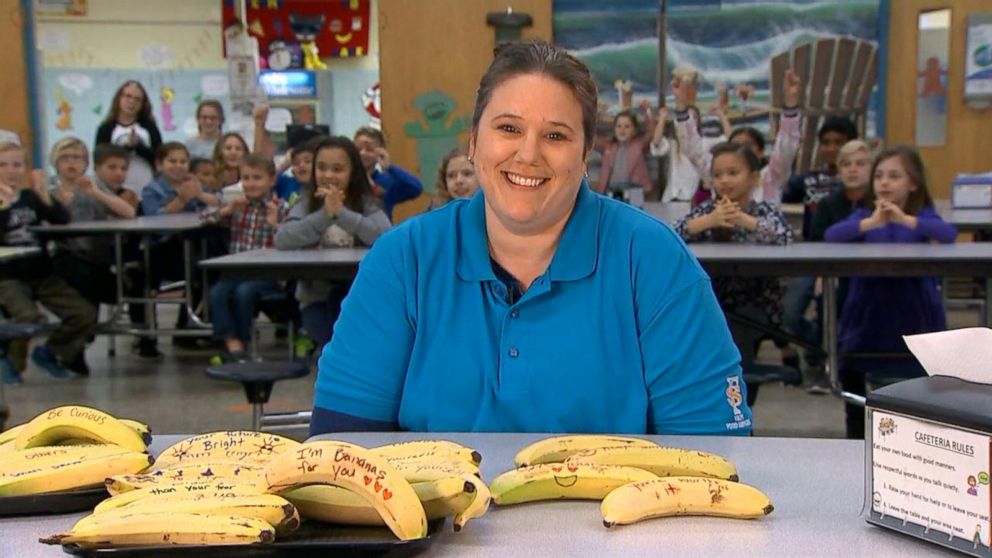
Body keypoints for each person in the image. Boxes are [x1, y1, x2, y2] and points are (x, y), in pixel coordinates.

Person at [308, 41, 752, 435]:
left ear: (584, 157)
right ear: (472, 143)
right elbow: (342, 451)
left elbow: (711, 460)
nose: (528, 153)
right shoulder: (403, 260)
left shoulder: (654, 261)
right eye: (508, 128)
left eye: (555, 135)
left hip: (617, 525)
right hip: (435, 529)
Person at [824, 146, 956, 439]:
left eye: (894, 176)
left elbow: (947, 234)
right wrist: (872, 223)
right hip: (868, 317)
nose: (884, 183)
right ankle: (856, 438)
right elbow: (832, 235)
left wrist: (904, 220)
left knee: (918, 396)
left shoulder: (923, 217)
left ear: (913, 183)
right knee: (855, 377)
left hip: (914, 315)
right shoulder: (862, 215)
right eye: (879, 176)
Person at [673, 143, 793, 390]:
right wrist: (708, 221)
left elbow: (784, 236)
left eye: (733, 173)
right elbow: (670, 234)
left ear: (753, 177)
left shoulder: (764, 210)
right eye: (718, 175)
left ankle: (739, 402)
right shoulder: (707, 209)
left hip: (757, 302)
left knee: (737, 328)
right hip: (711, 300)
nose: (724, 181)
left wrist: (744, 221)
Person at [274, 136, 391, 352]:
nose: (328, 175)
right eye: (321, 168)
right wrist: (325, 215)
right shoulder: (305, 201)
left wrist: (341, 213)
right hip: (316, 295)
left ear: (352, 172)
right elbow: (283, 239)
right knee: (332, 340)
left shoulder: (366, 203)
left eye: (337, 169)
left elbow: (386, 238)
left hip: (360, 293)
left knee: (353, 336)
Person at [0, 142, 96, 383]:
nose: (11, 170)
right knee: (28, 318)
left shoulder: (30, 197)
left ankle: (52, 351)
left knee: (84, 313)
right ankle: (12, 363)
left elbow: (62, 220)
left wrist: (46, 198)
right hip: (9, 277)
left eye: (17, 164)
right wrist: (6, 206)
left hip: (41, 272)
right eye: (3, 165)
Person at [778, 117, 860, 391]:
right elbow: (782, 197)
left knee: (833, 305)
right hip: (811, 258)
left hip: (850, 266)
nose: (833, 148)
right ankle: (815, 346)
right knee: (788, 314)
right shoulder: (808, 180)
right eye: (827, 143)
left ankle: (828, 363)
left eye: (840, 142)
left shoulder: (867, 188)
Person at [673, 71, 801, 206]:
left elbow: (786, 147)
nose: (725, 180)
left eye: (748, 145)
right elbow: (693, 149)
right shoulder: (717, 176)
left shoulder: (770, 178)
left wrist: (791, 105)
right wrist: (681, 106)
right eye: (734, 145)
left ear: (761, 151)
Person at [208, 154, 286, 363]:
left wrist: (275, 225)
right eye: (247, 178)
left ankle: (242, 341)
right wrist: (226, 211)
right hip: (238, 270)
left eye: (257, 178)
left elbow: (290, 242)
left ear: (271, 180)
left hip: (269, 274)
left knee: (245, 292)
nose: (251, 184)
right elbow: (207, 221)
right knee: (218, 292)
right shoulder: (238, 207)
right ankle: (232, 342)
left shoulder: (281, 208)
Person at [46, 138, 135, 312]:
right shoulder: (48, 190)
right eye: (65, 157)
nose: (71, 162)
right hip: (62, 254)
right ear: (55, 162)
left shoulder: (94, 187)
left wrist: (95, 193)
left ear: (86, 163)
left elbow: (129, 212)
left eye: (77, 158)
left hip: (93, 255)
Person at [94, 81, 162, 195]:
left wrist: (138, 147)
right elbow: (100, 159)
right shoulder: (106, 128)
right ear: (119, 99)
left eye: (137, 99)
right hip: (113, 191)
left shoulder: (149, 127)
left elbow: (159, 159)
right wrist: (127, 147)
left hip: (146, 188)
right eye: (128, 96)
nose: (132, 102)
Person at [353, 127, 422, 219]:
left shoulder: (386, 181)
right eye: (357, 149)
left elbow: (416, 188)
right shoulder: (346, 179)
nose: (362, 153)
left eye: (369, 149)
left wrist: (390, 167)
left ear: (380, 153)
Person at [594, 100, 657, 197]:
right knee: (612, 210)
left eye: (627, 127)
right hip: (611, 189)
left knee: (636, 209)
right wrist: (595, 114)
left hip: (635, 190)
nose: (622, 130)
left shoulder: (638, 145)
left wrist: (646, 110)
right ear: (614, 129)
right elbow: (590, 137)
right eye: (618, 126)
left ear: (634, 130)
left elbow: (651, 131)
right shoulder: (608, 146)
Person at [648, 106, 701, 203]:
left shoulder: (703, 143)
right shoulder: (674, 144)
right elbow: (656, 144)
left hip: (696, 197)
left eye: (693, 118)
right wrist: (662, 118)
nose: (688, 122)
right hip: (674, 196)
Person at [92, 143, 139, 210]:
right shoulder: (86, 194)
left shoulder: (127, 195)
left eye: (124, 168)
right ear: (96, 168)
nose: (119, 173)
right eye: (112, 167)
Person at [212, 132, 250, 202]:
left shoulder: (251, 179)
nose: (233, 152)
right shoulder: (211, 177)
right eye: (228, 148)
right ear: (220, 152)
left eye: (238, 149)